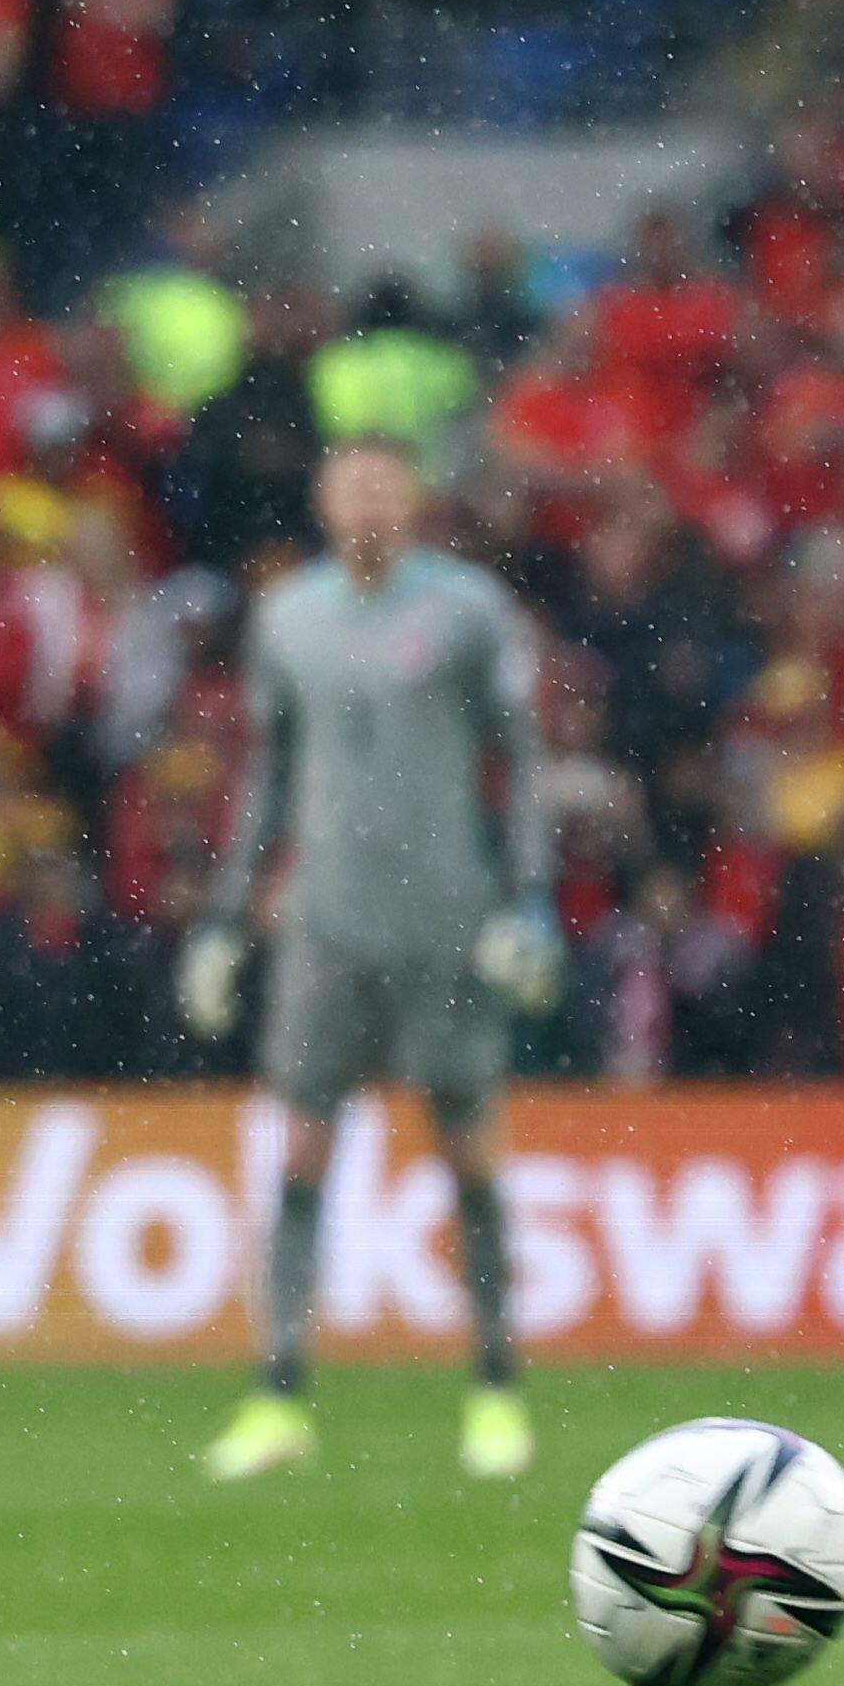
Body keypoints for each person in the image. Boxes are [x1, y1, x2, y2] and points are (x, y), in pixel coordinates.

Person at [182, 437, 563, 1480]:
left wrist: (529, 896)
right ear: (321, 497)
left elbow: (520, 763)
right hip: (325, 926)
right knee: (301, 1148)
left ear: (414, 499)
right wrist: (225, 915)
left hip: (446, 924)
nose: (366, 503)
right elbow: (270, 775)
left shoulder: (466, 611)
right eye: (349, 485)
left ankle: (494, 1388)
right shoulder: (288, 617)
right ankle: (277, 1395)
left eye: (384, 486)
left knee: (468, 1150)